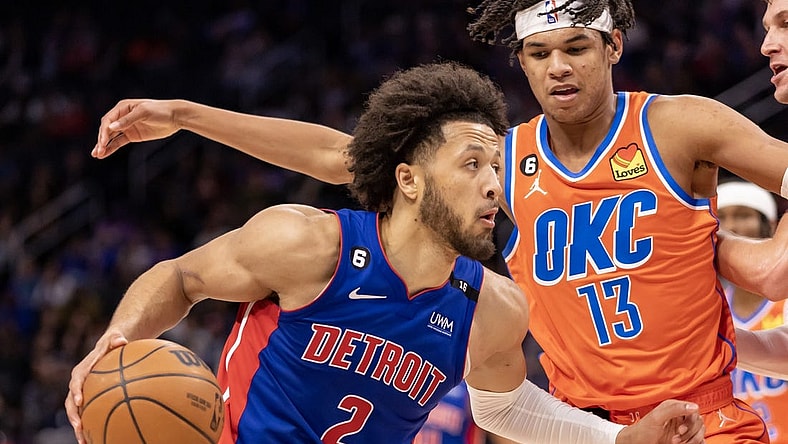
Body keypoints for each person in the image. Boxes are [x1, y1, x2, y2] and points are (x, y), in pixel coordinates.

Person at [86, 0, 788, 441]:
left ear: (612, 47)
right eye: (540, 54)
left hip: (701, 413)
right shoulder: (502, 161)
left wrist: (769, 257)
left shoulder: (677, 125)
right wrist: (182, 116)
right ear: (521, 62)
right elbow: (344, 155)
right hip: (579, 421)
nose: (559, 68)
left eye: (576, 47)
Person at [716, 180, 787, 444]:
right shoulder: (709, 305)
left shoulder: (784, 304)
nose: (731, 226)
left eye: (743, 215)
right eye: (721, 217)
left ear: (770, 226)